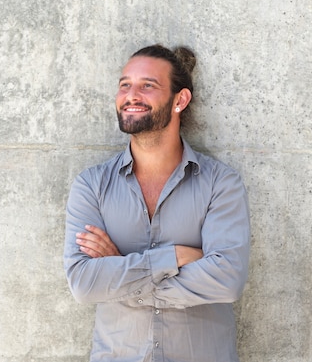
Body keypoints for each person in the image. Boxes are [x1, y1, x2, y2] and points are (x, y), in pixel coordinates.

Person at [63, 44, 251, 362]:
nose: (131, 95)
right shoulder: (92, 186)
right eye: (125, 84)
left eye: (147, 85)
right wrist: (175, 258)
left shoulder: (221, 184)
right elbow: (83, 283)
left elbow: (227, 280)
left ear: (180, 100)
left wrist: (120, 270)